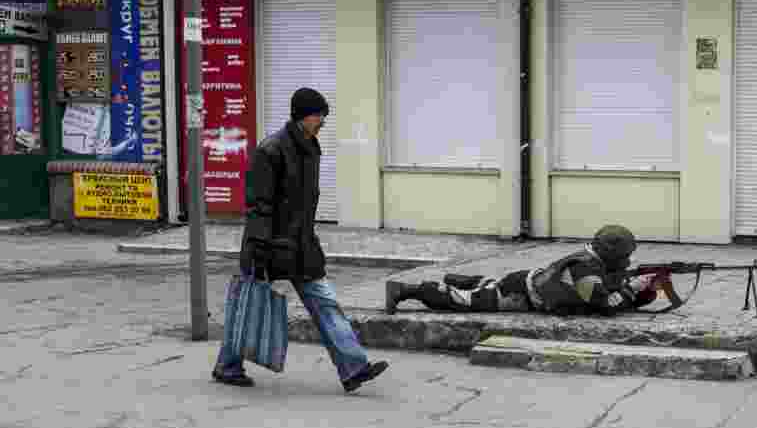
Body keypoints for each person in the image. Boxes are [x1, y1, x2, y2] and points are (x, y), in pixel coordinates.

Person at [212, 87, 388, 393]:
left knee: (326, 304)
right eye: (318, 115)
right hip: (267, 247)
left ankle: (354, 368)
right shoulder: (271, 150)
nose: (322, 121)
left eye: (323, 116)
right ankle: (228, 365)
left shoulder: (310, 147)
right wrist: (260, 249)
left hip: (301, 246)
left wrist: (308, 239)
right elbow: (258, 205)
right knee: (249, 306)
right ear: (303, 116)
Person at [384, 225, 659, 316]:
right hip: (520, 294)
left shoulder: (595, 263)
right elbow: (604, 305)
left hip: (526, 283)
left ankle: (471, 281)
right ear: (611, 253)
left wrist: (644, 292)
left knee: (487, 286)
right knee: (462, 301)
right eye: (624, 256)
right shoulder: (585, 268)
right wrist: (631, 288)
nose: (627, 261)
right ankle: (407, 290)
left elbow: (618, 297)